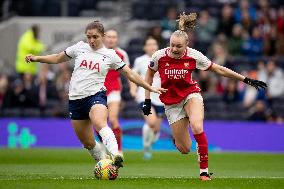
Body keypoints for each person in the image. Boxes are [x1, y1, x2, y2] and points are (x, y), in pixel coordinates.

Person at [25, 21, 166, 172]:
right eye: (89, 37)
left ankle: (116, 155)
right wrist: (37, 58)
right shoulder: (79, 47)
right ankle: (105, 163)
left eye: (95, 37)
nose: (91, 40)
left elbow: (130, 73)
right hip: (75, 100)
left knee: (100, 123)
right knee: (88, 142)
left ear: (103, 36)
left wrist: (148, 86)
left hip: (95, 96)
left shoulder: (110, 55)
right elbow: (58, 57)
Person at [142, 13, 267, 181]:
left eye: (178, 46)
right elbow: (148, 76)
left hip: (190, 94)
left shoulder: (194, 55)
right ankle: (177, 137)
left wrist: (245, 79)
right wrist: (147, 99)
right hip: (172, 103)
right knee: (185, 148)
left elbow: (219, 70)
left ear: (187, 44)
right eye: (172, 45)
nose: (174, 49)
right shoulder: (159, 56)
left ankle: (204, 172)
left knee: (197, 127)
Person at [130, 37, 164, 160]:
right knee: (151, 122)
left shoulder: (164, 59)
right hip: (144, 96)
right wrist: (133, 89)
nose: (151, 46)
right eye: (149, 44)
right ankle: (146, 146)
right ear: (145, 47)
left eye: (154, 44)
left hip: (160, 98)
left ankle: (149, 143)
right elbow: (132, 76)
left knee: (156, 129)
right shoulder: (140, 60)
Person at [102, 29, 129, 154]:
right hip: (98, 91)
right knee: (99, 122)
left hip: (114, 90)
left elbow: (129, 73)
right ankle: (104, 145)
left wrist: (133, 88)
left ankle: (118, 150)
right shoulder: (97, 53)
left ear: (117, 39)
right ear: (104, 38)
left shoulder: (122, 54)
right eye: (109, 37)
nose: (111, 39)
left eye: (114, 37)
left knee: (113, 119)